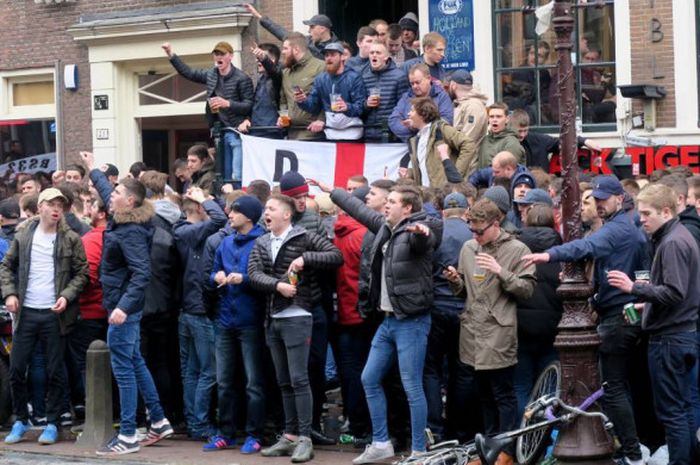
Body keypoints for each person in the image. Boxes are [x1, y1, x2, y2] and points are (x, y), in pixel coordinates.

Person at [521, 175, 648, 465]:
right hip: (620, 314)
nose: (600, 204)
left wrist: (548, 255)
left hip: (619, 318)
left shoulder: (618, 229)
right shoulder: (621, 227)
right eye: (597, 199)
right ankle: (632, 448)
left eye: (604, 199)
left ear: (620, 198)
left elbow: (586, 248)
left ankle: (632, 453)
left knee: (613, 387)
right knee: (619, 386)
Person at [320, 182, 442, 462]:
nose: (386, 205)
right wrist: (334, 192)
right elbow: (360, 210)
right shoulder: (386, 226)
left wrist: (422, 233)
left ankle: (420, 450)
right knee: (369, 378)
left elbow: (425, 240)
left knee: (412, 386)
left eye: (393, 201)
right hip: (387, 320)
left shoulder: (423, 227)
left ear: (407, 208)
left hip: (411, 321)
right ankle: (380, 442)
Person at [84, 152, 174, 455]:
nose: (112, 195)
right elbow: (109, 191)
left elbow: (142, 273)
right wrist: (93, 170)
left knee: (123, 368)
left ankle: (127, 436)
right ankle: (159, 420)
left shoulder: (131, 230)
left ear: (130, 202)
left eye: (119, 192)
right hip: (123, 305)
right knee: (135, 361)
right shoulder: (123, 217)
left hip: (123, 308)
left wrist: (122, 306)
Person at [608, 184, 700, 465]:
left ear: (666, 211)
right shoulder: (677, 237)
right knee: (682, 410)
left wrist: (634, 287)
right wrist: (645, 302)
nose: (641, 219)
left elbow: (674, 292)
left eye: (647, 213)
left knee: (673, 412)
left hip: (670, 339)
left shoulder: (672, 242)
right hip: (681, 334)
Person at [248, 194, 343, 463]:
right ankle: (289, 436)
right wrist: (277, 285)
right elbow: (254, 274)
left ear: (286, 215)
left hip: (299, 315)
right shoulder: (262, 241)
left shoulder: (303, 236)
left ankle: (304, 438)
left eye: (271, 209)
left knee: (299, 379)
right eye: (265, 208)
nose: (266, 212)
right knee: (284, 380)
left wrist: (305, 259)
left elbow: (335, 256)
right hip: (273, 317)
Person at [444, 198, 536, 465]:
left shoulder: (517, 249)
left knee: (502, 393)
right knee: (482, 394)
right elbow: (465, 292)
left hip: (498, 332)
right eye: (472, 229)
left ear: (496, 224)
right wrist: (455, 281)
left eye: (480, 230)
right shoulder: (468, 247)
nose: (475, 235)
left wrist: (500, 272)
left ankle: (505, 450)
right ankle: (488, 450)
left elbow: (527, 290)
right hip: (472, 331)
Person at [0, 188, 88, 446]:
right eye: (51, 204)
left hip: (54, 313)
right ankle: (20, 419)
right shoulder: (24, 235)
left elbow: (82, 273)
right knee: (17, 368)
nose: (56, 208)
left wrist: (67, 296)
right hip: (26, 312)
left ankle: (52, 423)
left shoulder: (71, 238)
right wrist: (10, 294)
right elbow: (6, 266)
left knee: (55, 370)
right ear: (40, 207)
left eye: (60, 204)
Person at [207, 195, 266, 453]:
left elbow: (267, 278)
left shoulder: (262, 242)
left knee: (254, 382)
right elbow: (212, 271)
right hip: (225, 320)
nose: (229, 214)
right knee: (225, 380)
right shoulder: (226, 242)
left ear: (249, 217)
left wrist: (244, 279)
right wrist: (216, 276)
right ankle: (226, 432)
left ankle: (255, 434)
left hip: (250, 320)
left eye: (235, 211)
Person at [173, 186, 227, 440]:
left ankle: (195, 422)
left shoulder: (185, 232)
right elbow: (220, 219)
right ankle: (200, 424)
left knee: (193, 371)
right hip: (198, 311)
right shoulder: (188, 232)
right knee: (207, 371)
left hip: (188, 310)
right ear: (197, 208)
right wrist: (205, 199)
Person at [163, 40, 253, 185]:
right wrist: (171, 55)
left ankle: (237, 199)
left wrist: (227, 103)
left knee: (237, 173)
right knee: (224, 174)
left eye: (222, 54)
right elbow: (189, 73)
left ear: (230, 56)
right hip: (220, 130)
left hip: (236, 131)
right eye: (216, 54)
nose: (218, 57)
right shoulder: (212, 74)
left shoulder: (242, 78)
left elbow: (249, 105)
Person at [425, 192, 476, 442]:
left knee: (432, 369)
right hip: (463, 308)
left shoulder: (435, 232)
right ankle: (460, 430)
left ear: (443, 212)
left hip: (436, 307)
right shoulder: (473, 234)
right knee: (462, 370)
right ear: (467, 211)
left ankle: (434, 429)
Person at [513, 203, 562, 417]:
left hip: (520, 328)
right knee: (549, 387)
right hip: (552, 328)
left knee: (520, 386)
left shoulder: (515, 251)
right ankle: (545, 438)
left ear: (525, 220)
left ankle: (521, 440)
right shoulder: (561, 253)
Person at [296, 42, 367, 141]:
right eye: (326, 55)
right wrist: (303, 101)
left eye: (333, 55)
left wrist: (347, 107)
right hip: (331, 134)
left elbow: (361, 107)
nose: (329, 58)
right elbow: (313, 107)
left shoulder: (354, 77)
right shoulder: (320, 79)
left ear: (342, 57)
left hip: (352, 133)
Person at [405, 97, 475, 187]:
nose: (409, 114)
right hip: (427, 193)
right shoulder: (416, 139)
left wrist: (455, 173)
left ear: (422, 114)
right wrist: (409, 174)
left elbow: (468, 144)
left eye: (412, 110)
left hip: (445, 192)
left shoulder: (441, 129)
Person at [509, 109, 601, 172]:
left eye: (525, 130)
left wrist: (583, 141)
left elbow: (561, 142)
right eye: (519, 131)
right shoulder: (505, 143)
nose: (523, 134)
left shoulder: (539, 140)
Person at [276, 32, 326, 141]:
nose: (282, 52)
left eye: (285, 48)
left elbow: (327, 97)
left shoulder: (320, 67)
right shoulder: (286, 72)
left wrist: (322, 119)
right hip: (291, 135)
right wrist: (282, 116)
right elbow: (283, 101)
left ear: (296, 49)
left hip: (313, 135)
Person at [244, 4, 338, 61]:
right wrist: (258, 15)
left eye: (312, 27)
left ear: (322, 29)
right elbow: (281, 32)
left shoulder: (338, 48)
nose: (309, 31)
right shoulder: (305, 41)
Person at [389, 63, 453, 142]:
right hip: (410, 145)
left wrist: (416, 126)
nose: (414, 86)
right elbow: (393, 120)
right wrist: (413, 137)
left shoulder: (441, 96)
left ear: (429, 78)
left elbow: (446, 120)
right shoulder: (406, 97)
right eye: (412, 83)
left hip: (434, 145)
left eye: (418, 82)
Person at [361, 40, 409, 141]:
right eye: (371, 53)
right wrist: (366, 104)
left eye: (378, 53)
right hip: (368, 133)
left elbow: (404, 107)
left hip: (390, 133)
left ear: (386, 57)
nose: (374, 55)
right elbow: (358, 107)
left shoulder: (399, 76)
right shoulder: (364, 77)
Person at [239, 43, 284, 139]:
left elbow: (273, 71)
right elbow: (255, 105)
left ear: (272, 60)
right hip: (256, 131)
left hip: (272, 131)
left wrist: (263, 58)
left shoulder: (278, 76)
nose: (257, 60)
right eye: (257, 57)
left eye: (259, 57)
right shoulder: (260, 78)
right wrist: (247, 119)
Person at [476, 103, 526, 169]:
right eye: (491, 117)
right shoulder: (485, 139)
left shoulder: (511, 143)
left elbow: (507, 172)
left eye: (498, 116)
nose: (494, 120)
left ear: (507, 119)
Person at [449, 70, 488, 147]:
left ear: (453, 85)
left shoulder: (473, 106)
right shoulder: (460, 104)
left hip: (468, 158)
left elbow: (467, 140)